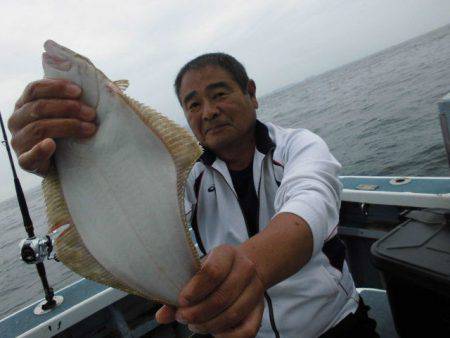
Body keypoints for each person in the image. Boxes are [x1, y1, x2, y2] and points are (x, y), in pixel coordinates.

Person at [8, 53, 378, 338]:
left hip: (334, 325)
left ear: (251, 93)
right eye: (194, 104)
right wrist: (65, 167)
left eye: (219, 94)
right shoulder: (185, 176)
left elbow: (308, 208)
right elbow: (131, 207)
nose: (210, 111)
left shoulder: (299, 146)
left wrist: (249, 269)